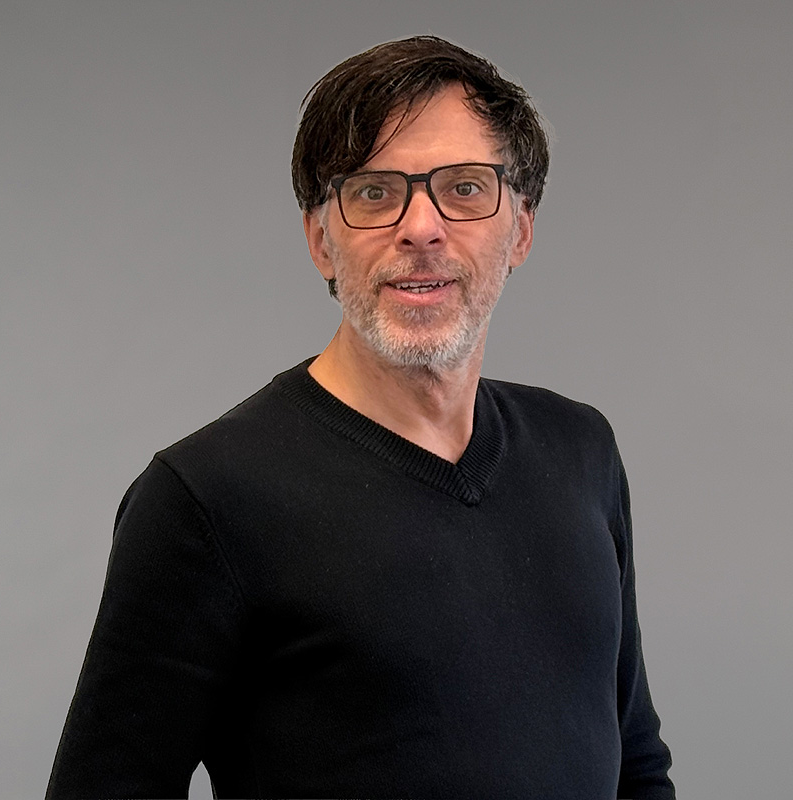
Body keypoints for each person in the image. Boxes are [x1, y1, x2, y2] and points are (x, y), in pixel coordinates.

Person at [47, 36, 674, 799]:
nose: (421, 227)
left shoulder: (581, 452)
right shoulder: (207, 499)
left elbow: (638, 764)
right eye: (375, 193)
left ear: (521, 231)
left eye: (465, 188)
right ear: (321, 241)